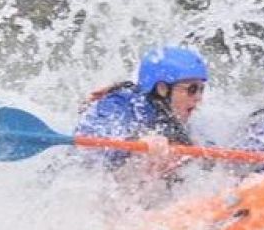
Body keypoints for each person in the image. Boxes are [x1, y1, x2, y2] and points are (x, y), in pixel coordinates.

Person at [75, 45, 209, 180]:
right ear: (162, 89)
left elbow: (209, 151)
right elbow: (96, 144)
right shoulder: (121, 103)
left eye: (201, 89)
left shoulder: (175, 119)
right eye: (192, 89)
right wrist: (138, 141)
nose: (199, 98)